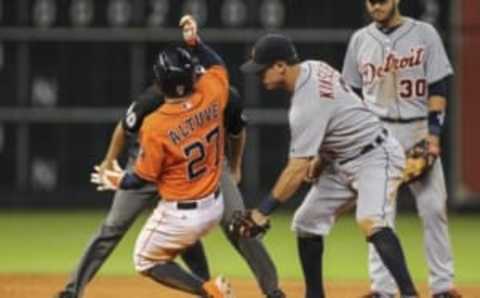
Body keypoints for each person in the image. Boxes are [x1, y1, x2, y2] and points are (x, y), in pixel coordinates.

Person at [55, 16, 284, 298]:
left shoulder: (195, 97)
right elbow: (125, 127)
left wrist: (115, 175)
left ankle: (264, 291)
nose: (199, 75)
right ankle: (72, 290)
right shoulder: (213, 88)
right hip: (152, 161)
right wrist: (110, 160)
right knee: (116, 226)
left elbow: (236, 132)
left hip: (200, 167)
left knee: (230, 224)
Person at [240, 33, 419, 298]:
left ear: (280, 66)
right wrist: (322, 159)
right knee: (306, 222)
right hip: (341, 160)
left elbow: (297, 169)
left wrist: (262, 211)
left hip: (375, 155)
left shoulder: (305, 104)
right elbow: (338, 113)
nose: (258, 75)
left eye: (262, 69)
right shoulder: (314, 66)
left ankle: (409, 294)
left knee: (371, 220)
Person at [341, 1, 460, 297]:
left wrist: (433, 135)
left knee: (433, 208)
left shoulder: (425, 34)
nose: (376, 6)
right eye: (371, 1)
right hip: (376, 132)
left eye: (381, 0)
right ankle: (381, 289)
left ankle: (442, 286)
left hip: (418, 128)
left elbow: (439, 88)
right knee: (378, 215)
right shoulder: (360, 40)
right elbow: (351, 95)